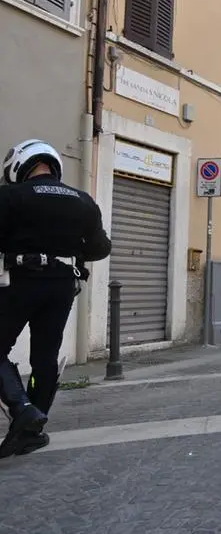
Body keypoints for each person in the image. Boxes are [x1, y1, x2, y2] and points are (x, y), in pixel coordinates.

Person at [0, 140, 111, 457]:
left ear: (19, 165)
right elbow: (100, 249)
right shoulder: (83, 201)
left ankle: (22, 410)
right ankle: (32, 429)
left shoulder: (10, 196)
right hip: (62, 284)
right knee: (45, 358)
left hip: (19, 281)